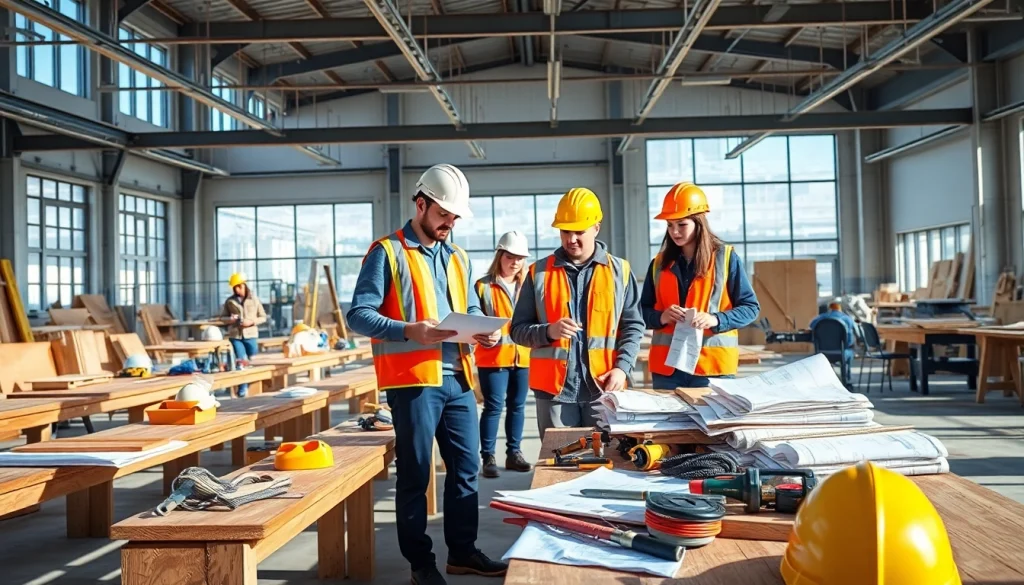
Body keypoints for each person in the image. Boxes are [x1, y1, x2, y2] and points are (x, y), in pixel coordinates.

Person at [346, 163, 508, 585]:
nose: (449, 224)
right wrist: (408, 331)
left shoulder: (458, 256)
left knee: (466, 468)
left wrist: (481, 331)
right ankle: (421, 564)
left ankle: (463, 552)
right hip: (413, 382)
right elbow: (358, 316)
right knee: (417, 473)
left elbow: (469, 309)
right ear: (420, 204)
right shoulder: (387, 252)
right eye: (443, 215)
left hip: (457, 379)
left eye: (455, 218)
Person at [510, 187, 645, 437]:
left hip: (604, 388)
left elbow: (633, 326)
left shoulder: (620, 272)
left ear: (597, 227)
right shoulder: (538, 273)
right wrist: (548, 331)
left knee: (606, 465)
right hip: (554, 394)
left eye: (578, 232)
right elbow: (517, 331)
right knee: (558, 466)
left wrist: (622, 368)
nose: (571, 239)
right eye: (565, 231)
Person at [640, 182, 760, 389]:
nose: (675, 232)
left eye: (682, 225)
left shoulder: (726, 259)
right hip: (667, 371)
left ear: (699, 222)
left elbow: (750, 308)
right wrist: (661, 317)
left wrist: (715, 319)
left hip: (712, 369)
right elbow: (641, 311)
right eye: (670, 225)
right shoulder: (659, 264)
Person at [474, 231, 532, 478]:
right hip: (493, 358)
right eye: (510, 256)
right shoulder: (482, 286)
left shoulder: (529, 285)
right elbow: (473, 320)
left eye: (520, 257)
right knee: (494, 407)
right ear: (500, 255)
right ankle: (488, 456)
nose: (515, 262)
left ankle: (514, 454)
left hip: (523, 356)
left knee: (517, 407)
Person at [220, 272, 267, 397]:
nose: (236, 289)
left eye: (238, 287)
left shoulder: (254, 300)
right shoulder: (229, 302)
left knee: (252, 361)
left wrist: (251, 322)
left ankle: (252, 385)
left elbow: (263, 317)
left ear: (244, 285)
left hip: (251, 334)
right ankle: (242, 388)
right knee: (240, 362)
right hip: (236, 336)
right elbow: (222, 318)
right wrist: (230, 319)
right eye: (234, 287)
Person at [810, 300, 856, 377]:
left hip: (821, 353)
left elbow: (811, 328)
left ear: (829, 309)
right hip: (841, 353)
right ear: (840, 309)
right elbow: (849, 341)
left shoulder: (819, 318)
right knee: (850, 352)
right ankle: (847, 378)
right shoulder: (848, 319)